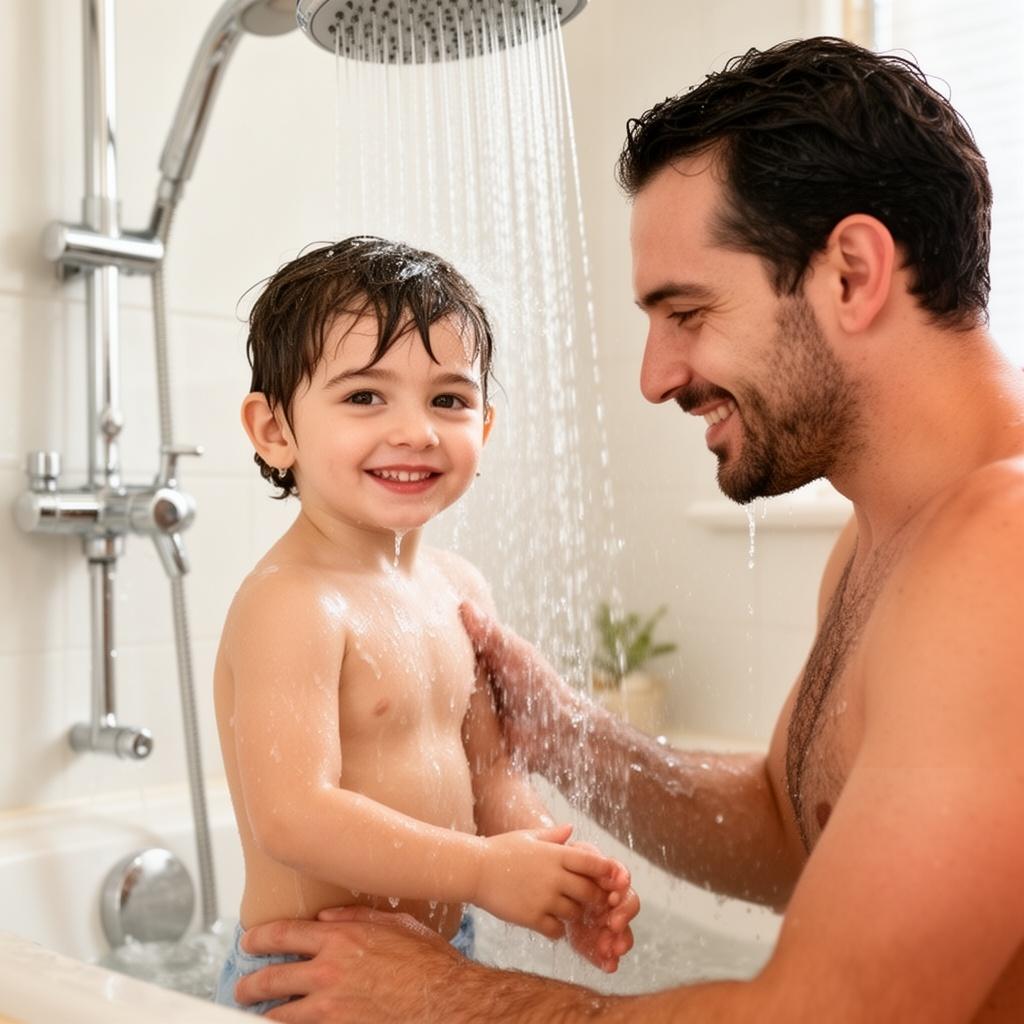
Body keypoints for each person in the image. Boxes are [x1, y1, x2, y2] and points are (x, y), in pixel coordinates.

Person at [233, 37, 1024, 1023]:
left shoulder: (1003, 551)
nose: (655, 376)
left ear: (851, 274)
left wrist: (449, 994)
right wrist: (566, 733)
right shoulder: (885, 541)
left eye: (686, 311)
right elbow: (789, 831)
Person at [212, 235, 640, 1015]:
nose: (416, 430)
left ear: (486, 425)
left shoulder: (457, 589)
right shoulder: (292, 602)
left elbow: (488, 773)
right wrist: (481, 872)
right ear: (275, 431)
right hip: (307, 978)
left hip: (436, 960)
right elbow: (292, 816)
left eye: (449, 399)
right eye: (365, 397)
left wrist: (552, 868)